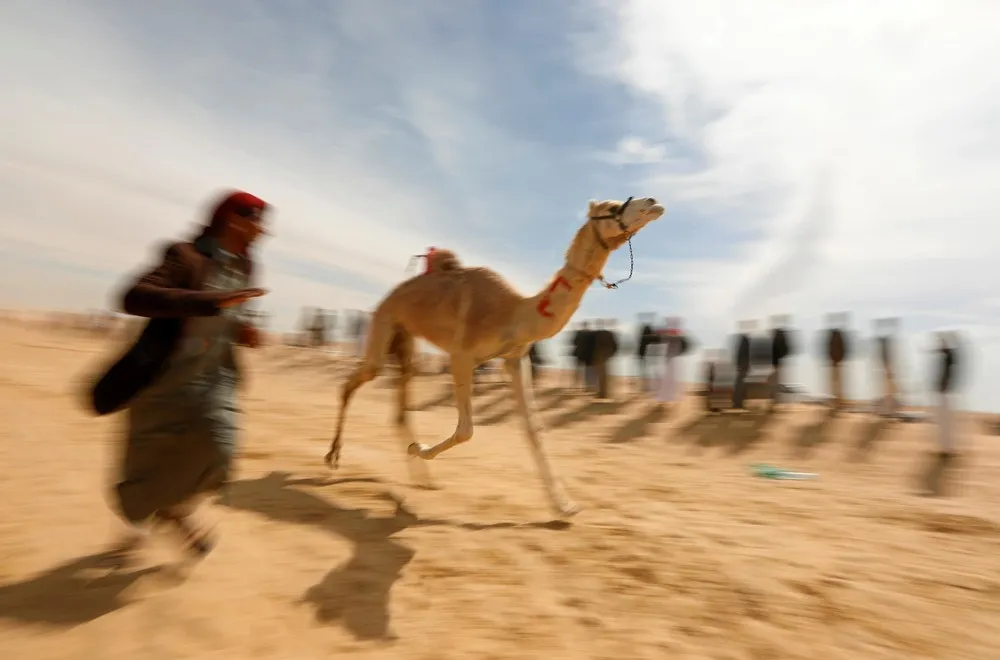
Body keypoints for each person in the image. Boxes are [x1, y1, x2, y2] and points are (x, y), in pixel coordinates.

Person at [93, 189, 270, 562]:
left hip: (216, 378)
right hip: (164, 378)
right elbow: (133, 297)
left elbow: (229, 318)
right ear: (234, 220)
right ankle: (170, 518)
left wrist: (242, 332)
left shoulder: (245, 269)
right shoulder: (184, 256)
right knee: (150, 466)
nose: (262, 231)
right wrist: (212, 302)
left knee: (219, 453)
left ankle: (172, 510)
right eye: (257, 221)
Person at [920, 331, 962, 496]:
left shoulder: (950, 355)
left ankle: (947, 450)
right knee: (943, 424)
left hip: (945, 392)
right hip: (944, 392)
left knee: (945, 424)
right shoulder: (949, 355)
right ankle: (946, 449)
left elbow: (945, 352)